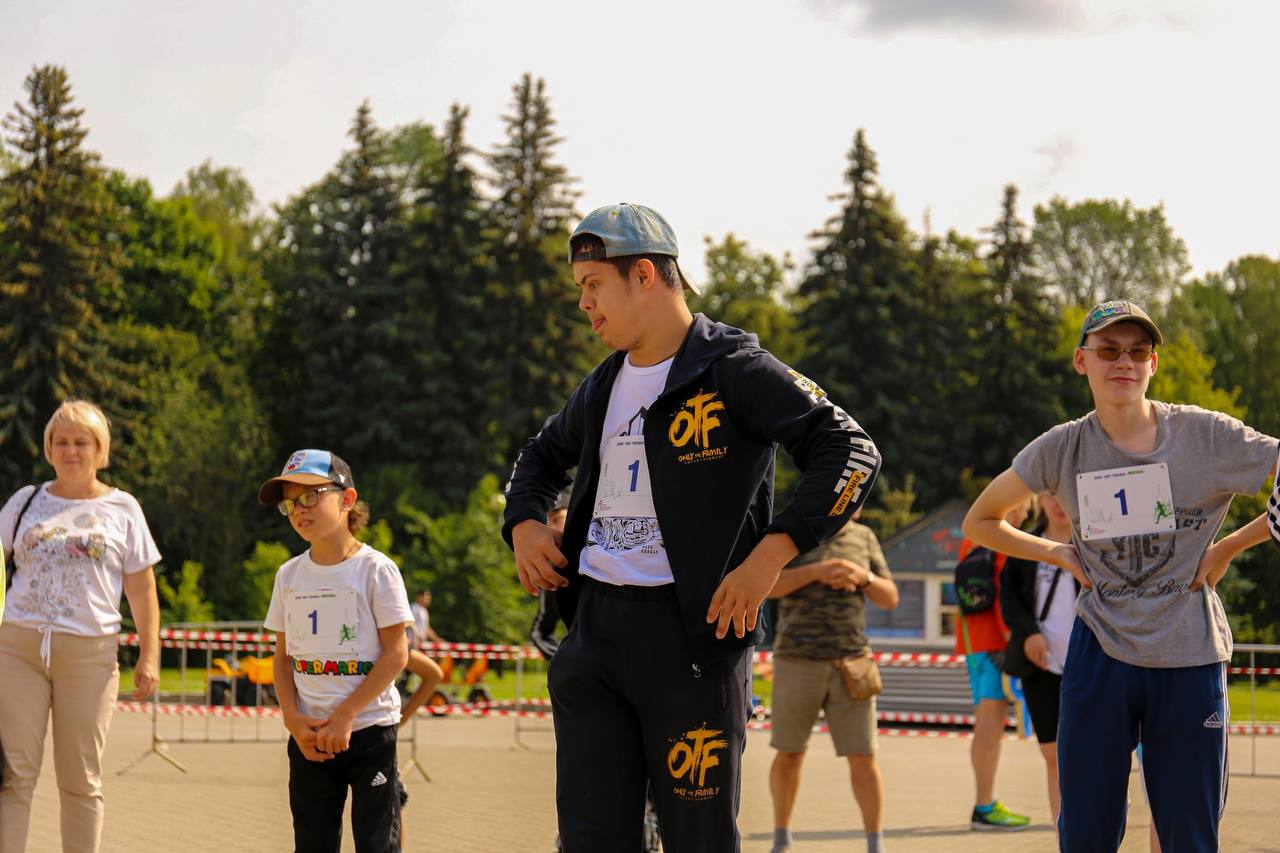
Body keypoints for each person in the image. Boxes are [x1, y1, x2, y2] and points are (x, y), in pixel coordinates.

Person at [503, 202, 880, 852]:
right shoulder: (601, 385)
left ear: (644, 274)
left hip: (693, 647)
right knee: (589, 841)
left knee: (698, 841)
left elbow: (852, 452)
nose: (584, 303)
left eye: (593, 285)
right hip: (594, 639)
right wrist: (524, 525)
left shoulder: (735, 368)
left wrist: (770, 556)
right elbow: (537, 458)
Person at [962, 300, 1279, 851]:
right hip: (1100, 654)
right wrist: (1057, 554)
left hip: (1188, 654)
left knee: (1189, 835)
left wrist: (1231, 544)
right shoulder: (1062, 447)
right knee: (1085, 833)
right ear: (1081, 361)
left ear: (1154, 363)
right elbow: (980, 521)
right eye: (1108, 350)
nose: (1124, 362)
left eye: (1138, 351)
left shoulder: (1205, 435)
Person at [0, 400, 162, 853]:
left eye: (82, 442)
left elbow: (141, 588)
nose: (71, 451)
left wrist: (149, 655)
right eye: (62, 442)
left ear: (100, 449)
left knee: (81, 779)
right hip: (18, 651)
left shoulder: (122, 507)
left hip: (90, 658)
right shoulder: (25, 501)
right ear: (49, 448)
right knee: (14, 776)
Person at [259, 449, 413, 853]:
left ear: (347, 499)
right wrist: (292, 718)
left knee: (377, 844)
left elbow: (396, 653)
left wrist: (346, 714)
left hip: (369, 731)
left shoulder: (376, 569)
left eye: (311, 496)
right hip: (309, 736)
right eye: (290, 503)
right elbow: (283, 658)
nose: (298, 510)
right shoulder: (288, 575)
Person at [766, 508, 899, 853]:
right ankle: (781, 839)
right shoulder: (791, 532)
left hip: (852, 661)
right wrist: (817, 572)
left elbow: (890, 597)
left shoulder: (864, 536)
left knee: (864, 756)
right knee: (789, 753)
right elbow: (767, 585)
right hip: (797, 660)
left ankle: (875, 845)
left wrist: (863, 577)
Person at [997, 492, 1079, 823]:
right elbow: (1008, 596)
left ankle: (1099, 831)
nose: (1060, 503)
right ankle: (1064, 838)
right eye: (1052, 495)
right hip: (1041, 666)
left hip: (1093, 665)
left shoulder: (1095, 544)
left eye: (1066, 494)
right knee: (1053, 757)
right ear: (1040, 499)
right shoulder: (1025, 544)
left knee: (1098, 755)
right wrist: (1029, 632)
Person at [954, 499, 1034, 831]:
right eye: (1025, 507)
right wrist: (1012, 642)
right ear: (1012, 506)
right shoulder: (1001, 538)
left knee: (984, 726)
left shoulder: (972, 537)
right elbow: (1004, 596)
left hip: (972, 645)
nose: (1026, 515)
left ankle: (984, 803)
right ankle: (984, 807)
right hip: (996, 647)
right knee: (990, 728)